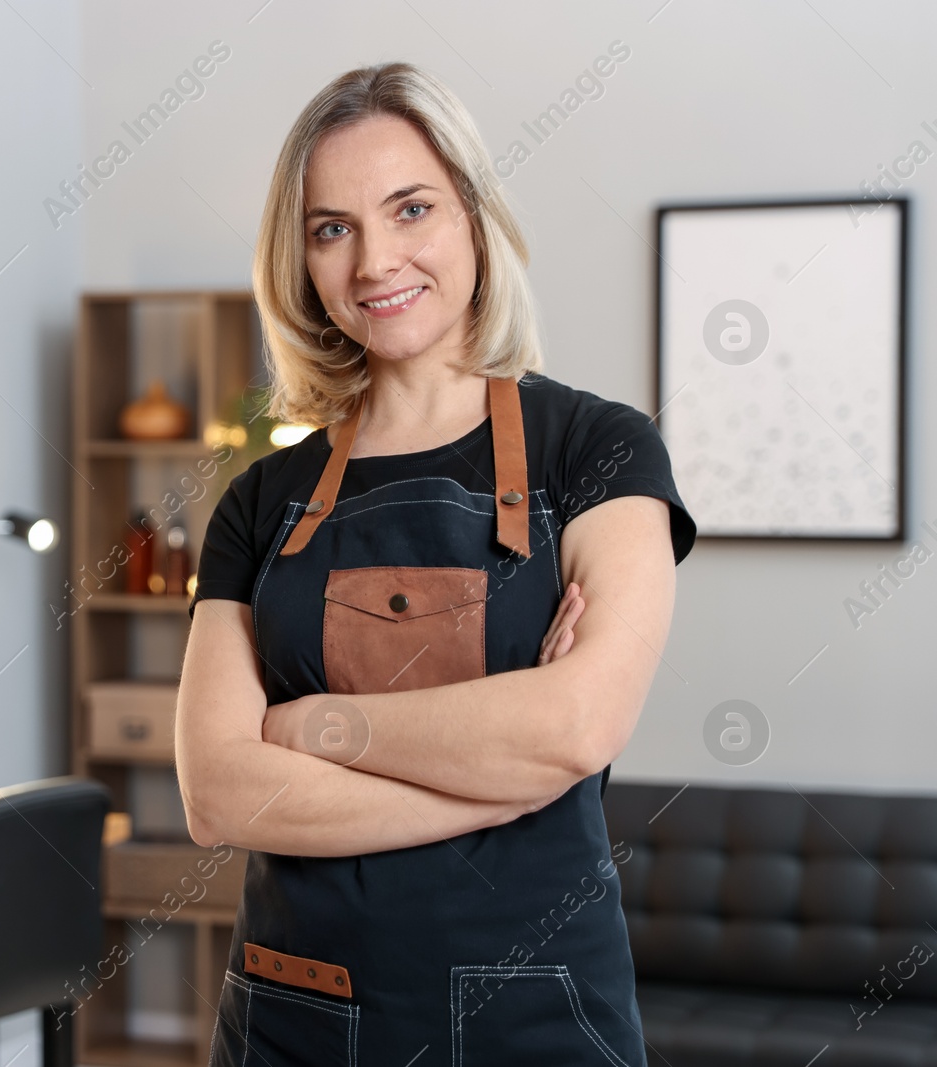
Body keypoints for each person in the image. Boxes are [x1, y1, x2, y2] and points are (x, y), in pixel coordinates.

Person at [176, 61, 696, 1066]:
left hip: (539, 1018)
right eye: (331, 228)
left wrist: (308, 725)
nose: (375, 259)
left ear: (471, 214)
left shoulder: (599, 453)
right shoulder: (258, 501)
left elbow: (577, 721)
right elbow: (219, 794)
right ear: (302, 262)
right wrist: (507, 782)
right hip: (296, 1016)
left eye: (409, 208)